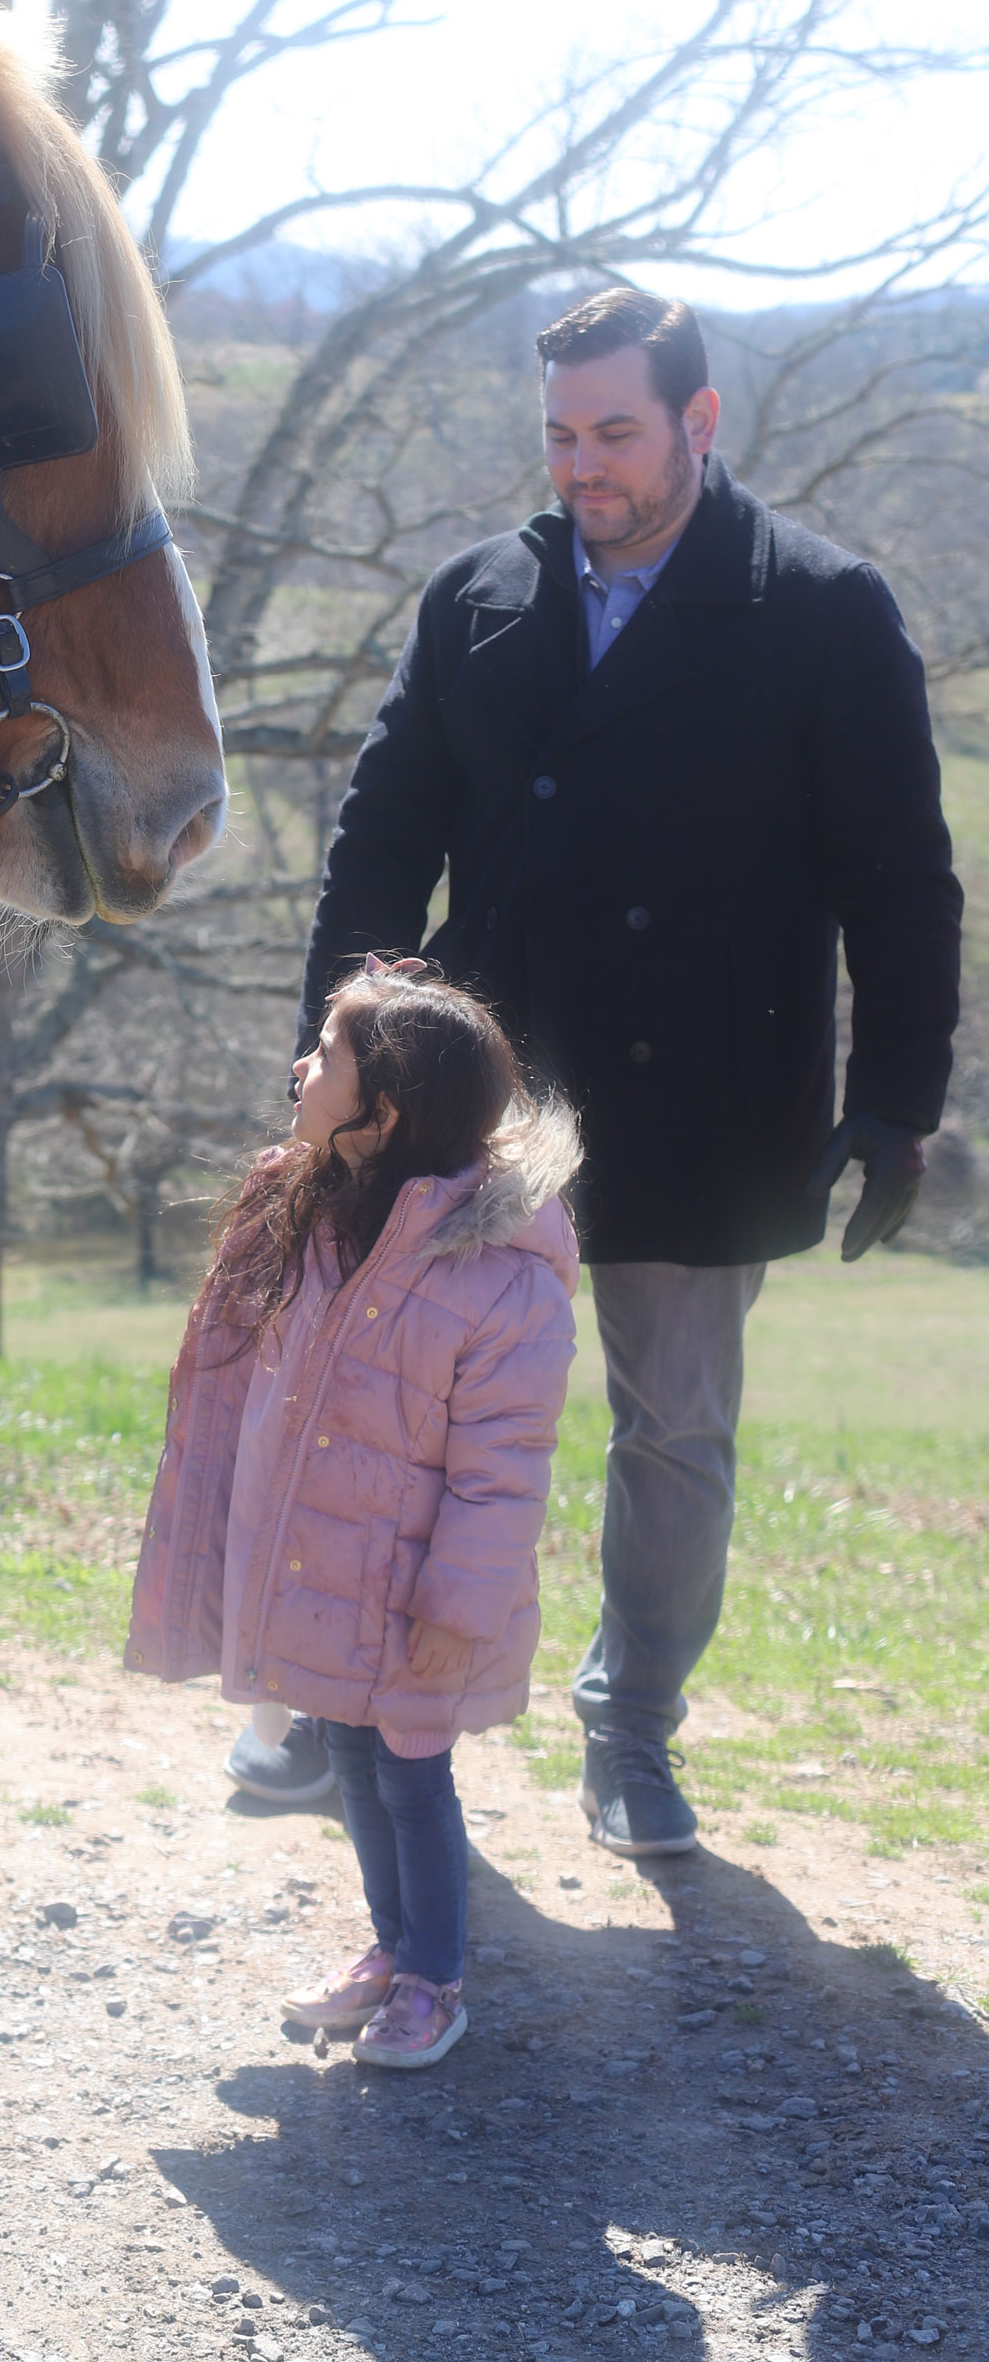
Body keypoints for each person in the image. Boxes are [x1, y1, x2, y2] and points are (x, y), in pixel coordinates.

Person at [296, 287, 963, 1856]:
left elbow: (901, 879)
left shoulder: (823, 605)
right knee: (400, 1405)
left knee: (674, 1428)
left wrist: (901, 1102)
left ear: (700, 423)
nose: (581, 466)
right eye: (559, 434)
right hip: (482, 1083)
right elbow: (382, 829)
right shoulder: (476, 597)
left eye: (614, 432)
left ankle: (634, 1724)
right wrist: (339, 1034)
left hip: (715, 1085)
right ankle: (358, 1695)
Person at [128, 964, 580, 2071]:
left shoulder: (500, 1278)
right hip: (322, 1571)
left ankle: (434, 1978)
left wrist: (455, 1605)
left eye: (324, 1054)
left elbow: (500, 1471)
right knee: (348, 1763)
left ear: (382, 1111)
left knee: (411, 1778)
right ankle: (391, 1950)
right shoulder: (321, 1215)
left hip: (415, 1594)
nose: (300, 1067)